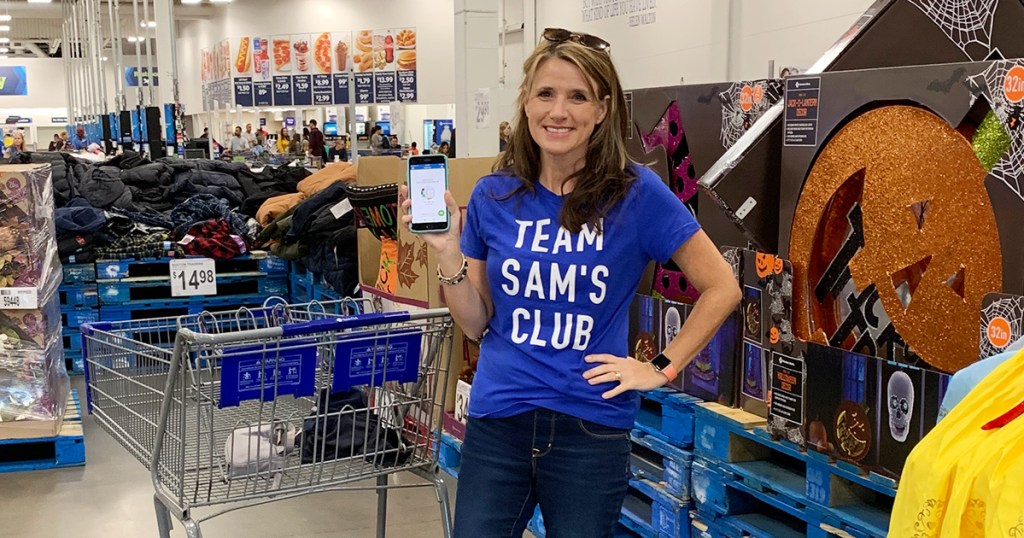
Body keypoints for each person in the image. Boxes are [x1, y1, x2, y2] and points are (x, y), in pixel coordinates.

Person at [399, 28, 740, 537]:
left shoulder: (635, 193)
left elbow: (723, 287)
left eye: (577, 96)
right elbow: (474, 325)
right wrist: (448, 252)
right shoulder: (495, 195)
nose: (559, 111)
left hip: (590, 428)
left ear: (602, 110)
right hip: (500, 419)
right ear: (526, 103)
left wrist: (660, 369)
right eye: (546, 94)